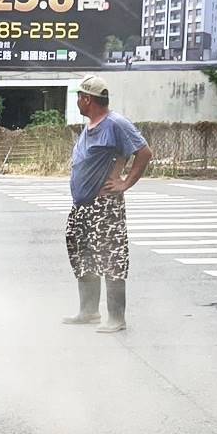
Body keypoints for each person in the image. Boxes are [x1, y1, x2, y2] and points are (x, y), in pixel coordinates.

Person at [64, 76, 152, 333]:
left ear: (87, 99)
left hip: (104, 207)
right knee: (82, 254)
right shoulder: (91, 125)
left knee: (111, 255)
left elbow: (144, 152)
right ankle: (89, 310)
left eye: (79, 96)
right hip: (82, 206)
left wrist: (125, 182)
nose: (78, 101)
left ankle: (116, 317)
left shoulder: (116, 124)